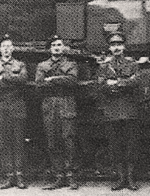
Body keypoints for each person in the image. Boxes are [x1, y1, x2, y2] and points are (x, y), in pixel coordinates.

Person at [35, 35, 82, 190]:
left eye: (59, 44)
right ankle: (59, 176)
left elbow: (72, 80)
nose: (56, 47)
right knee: (52, 140)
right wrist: (61, 79)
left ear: (63, 47)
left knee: (68, 139)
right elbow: (40, 84)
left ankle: (71, 176)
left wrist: (52, 79)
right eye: (53, 44)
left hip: (66, 101)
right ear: (50, 48)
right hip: (49, 104)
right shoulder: (42, 65)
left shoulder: (71, 63)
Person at [96, 32, 140, 191]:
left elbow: (136, 82)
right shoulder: (103, 66)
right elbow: (101, 85)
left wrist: (115, 83)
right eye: (113, 45)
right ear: (109, 47)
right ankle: (121, 178)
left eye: (119, 44)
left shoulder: (133, 64)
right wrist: (122, 84)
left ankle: (130, 178)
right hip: (112, 110)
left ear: (124, 46)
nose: (116, 48)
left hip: (129, 109)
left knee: (131, 145)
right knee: (116, 145)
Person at [0, 35, 28, 189]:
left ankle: (19, 175)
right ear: (0, 49)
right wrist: (13, 78)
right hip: (1, 108)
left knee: (18, 142)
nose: (6, 49)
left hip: (17, 106)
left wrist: (3, 77)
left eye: (9, 46)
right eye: (3, 46)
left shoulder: (20, 64)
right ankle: (9, 176)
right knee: (4, 143)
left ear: (13, 49)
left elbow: (23, 79)